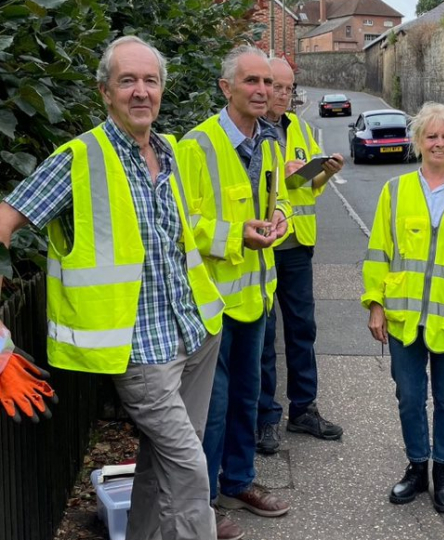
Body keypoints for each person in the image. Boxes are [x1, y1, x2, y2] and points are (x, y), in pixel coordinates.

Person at [0, 36, 224, 540]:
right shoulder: (79, 157)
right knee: (189, 470)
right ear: (105, 92)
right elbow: (2, 223)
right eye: (128, 81)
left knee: (161, 463)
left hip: (197, 334)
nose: (141, 91)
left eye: (150, 80)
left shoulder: (166, 150)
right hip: (139, 354)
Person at [177, 45, 291, 540]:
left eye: (267, 82)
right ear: (227, 88)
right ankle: (200, 505)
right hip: (210, 303)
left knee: (247, 397)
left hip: (255, 299)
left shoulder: (269, 142)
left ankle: (240, 480)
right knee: (212, 408)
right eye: (252, 82)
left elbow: (277, 195)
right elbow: (180, 223)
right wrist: (234, 234)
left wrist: (281, 215)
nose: (263, 91)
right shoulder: (195, 145)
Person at [362, 102, 444, 514]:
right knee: (409, 396)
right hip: (403, 319)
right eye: (431, 136)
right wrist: (375, 304)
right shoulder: (396, 191)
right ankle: (417, 467)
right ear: (418, 140)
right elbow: (378, 252)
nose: (439, 143)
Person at [256, 57, 345, 455]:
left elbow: (311, 189)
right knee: (262, 335)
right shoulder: (249, 132)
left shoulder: (301, 129)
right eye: (277, 86)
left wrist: (325, 170)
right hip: (259, 247)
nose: (283, 94)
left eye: (289, 88)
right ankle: (265, 418)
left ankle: (303, 409)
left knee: (302, 330)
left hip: (296, 246)